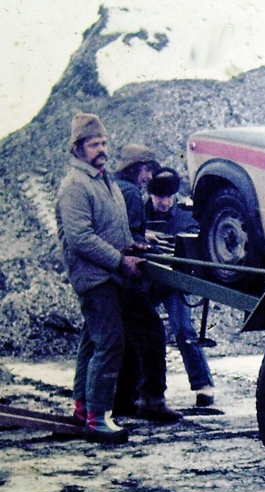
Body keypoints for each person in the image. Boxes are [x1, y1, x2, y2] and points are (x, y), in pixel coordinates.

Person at [57, 114, 181, 444]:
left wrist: (131, 244)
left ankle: (84, 408)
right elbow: (81, 238)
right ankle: (98, 418)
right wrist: (121, 261)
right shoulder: (75, 186)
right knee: (110, 342)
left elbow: (112, 227)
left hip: (109, 272)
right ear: (78, 148)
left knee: (93, 341)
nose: (101, 149)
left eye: (104, 143)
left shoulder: (103, 181)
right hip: (95, 276)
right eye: (93, 144)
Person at [110, 144, 175, 418]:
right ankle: (152, 400)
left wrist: (142, 237)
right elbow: (128, 237)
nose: (149, 177)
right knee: (152, 334)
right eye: (148, 170)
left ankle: (123, 399)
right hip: (127, 277)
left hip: (111, 276)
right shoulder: (132, 194)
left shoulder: (114, 188)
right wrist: (142, 244)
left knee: (130, 338)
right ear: (137, 167)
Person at [146, 167, 216, 407]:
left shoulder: (186, 216)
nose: (164, 202)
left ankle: (203, 386)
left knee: (184, 330)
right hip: (145, 281)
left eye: (168, 197)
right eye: (159, 197)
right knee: (140, 333)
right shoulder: (138, 214)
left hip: (174, 282)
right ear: (150, 194)